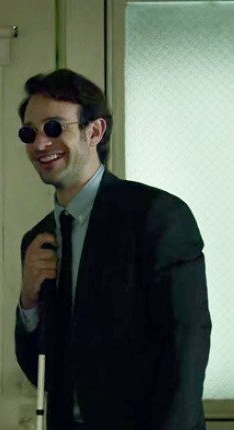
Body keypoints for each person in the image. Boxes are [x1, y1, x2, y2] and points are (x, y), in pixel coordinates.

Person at [14, 69, 211, 430]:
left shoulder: (156, 216)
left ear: (94, 131)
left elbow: (186, 344)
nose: (40, 143)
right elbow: (38, 371)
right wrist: (28, 301)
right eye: (30, 132)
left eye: (54, 127)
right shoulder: (38, 239)